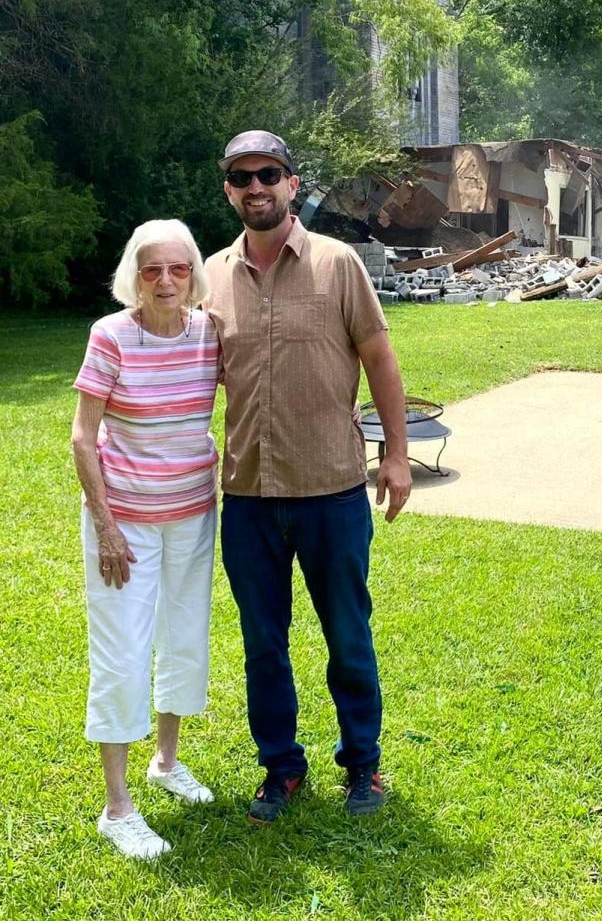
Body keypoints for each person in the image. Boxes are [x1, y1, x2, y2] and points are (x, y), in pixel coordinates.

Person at [204, 130, 412, 824]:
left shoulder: (337, 263)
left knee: (348, 631)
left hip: (332, 490)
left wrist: (396, 454)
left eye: (269, 173)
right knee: (263, 641)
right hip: (250, 497)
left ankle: (363, 764)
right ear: (229, 189)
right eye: (242, 177)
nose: (256, 186)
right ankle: (280, 768)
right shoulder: (210, 276)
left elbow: (380, 358)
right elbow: (189, 380)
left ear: (293, 183)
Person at [71, 219, 220, 860]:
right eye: (152, 269)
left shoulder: (209, 333)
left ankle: (166, 762)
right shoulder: (111, 335)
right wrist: (105, 525)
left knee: (184, 636)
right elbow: (83, 436)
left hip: (193, 512)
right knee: (123, 652)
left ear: (194, 274)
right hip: (123, 524)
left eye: (178, 268)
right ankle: (117, 806)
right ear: (134, 274)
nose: (165, 281)